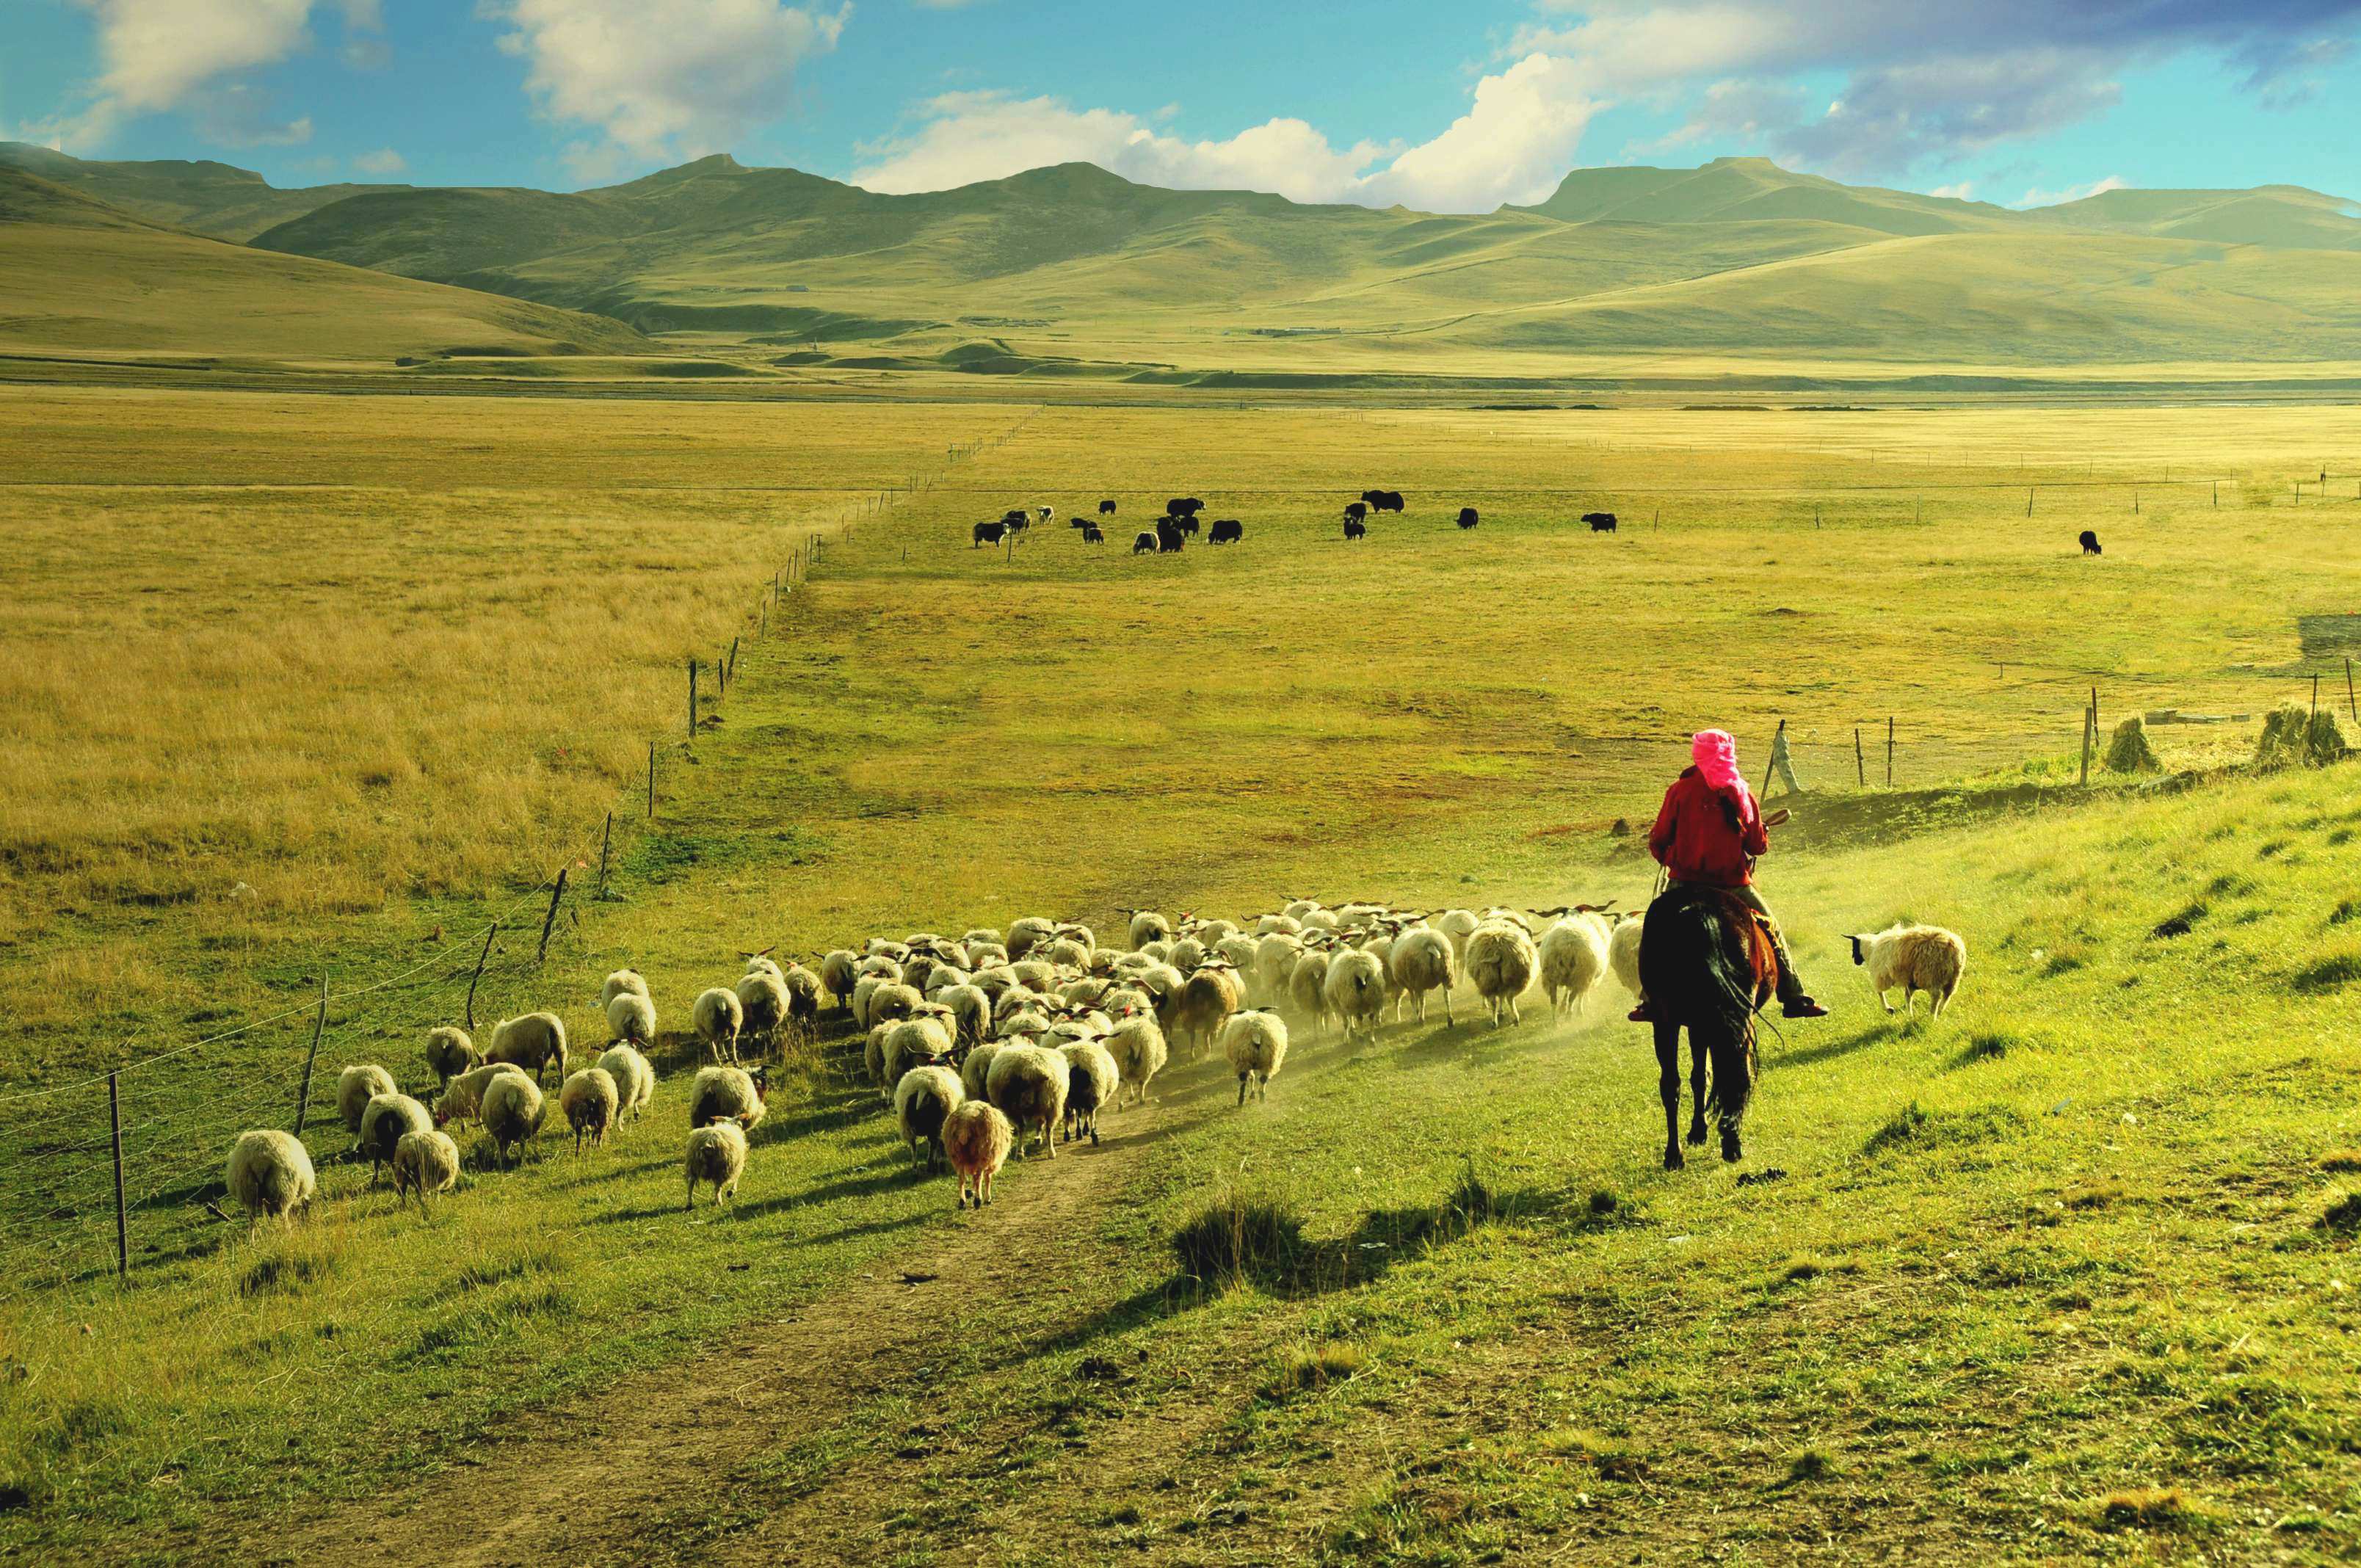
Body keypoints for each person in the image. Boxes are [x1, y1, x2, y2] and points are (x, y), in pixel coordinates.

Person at [1628, 729, 1827, 1021]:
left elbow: (1658, 840)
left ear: (1697, 754)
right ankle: (1794, 997)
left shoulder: (1679, 791)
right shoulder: (1741, 792)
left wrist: (1674, 859)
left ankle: (1649, 999)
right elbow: (1757, 846)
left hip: (1684, 884)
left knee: (1656, 932)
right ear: (1729, 753)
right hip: (1732, 885)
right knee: (1771, 929)